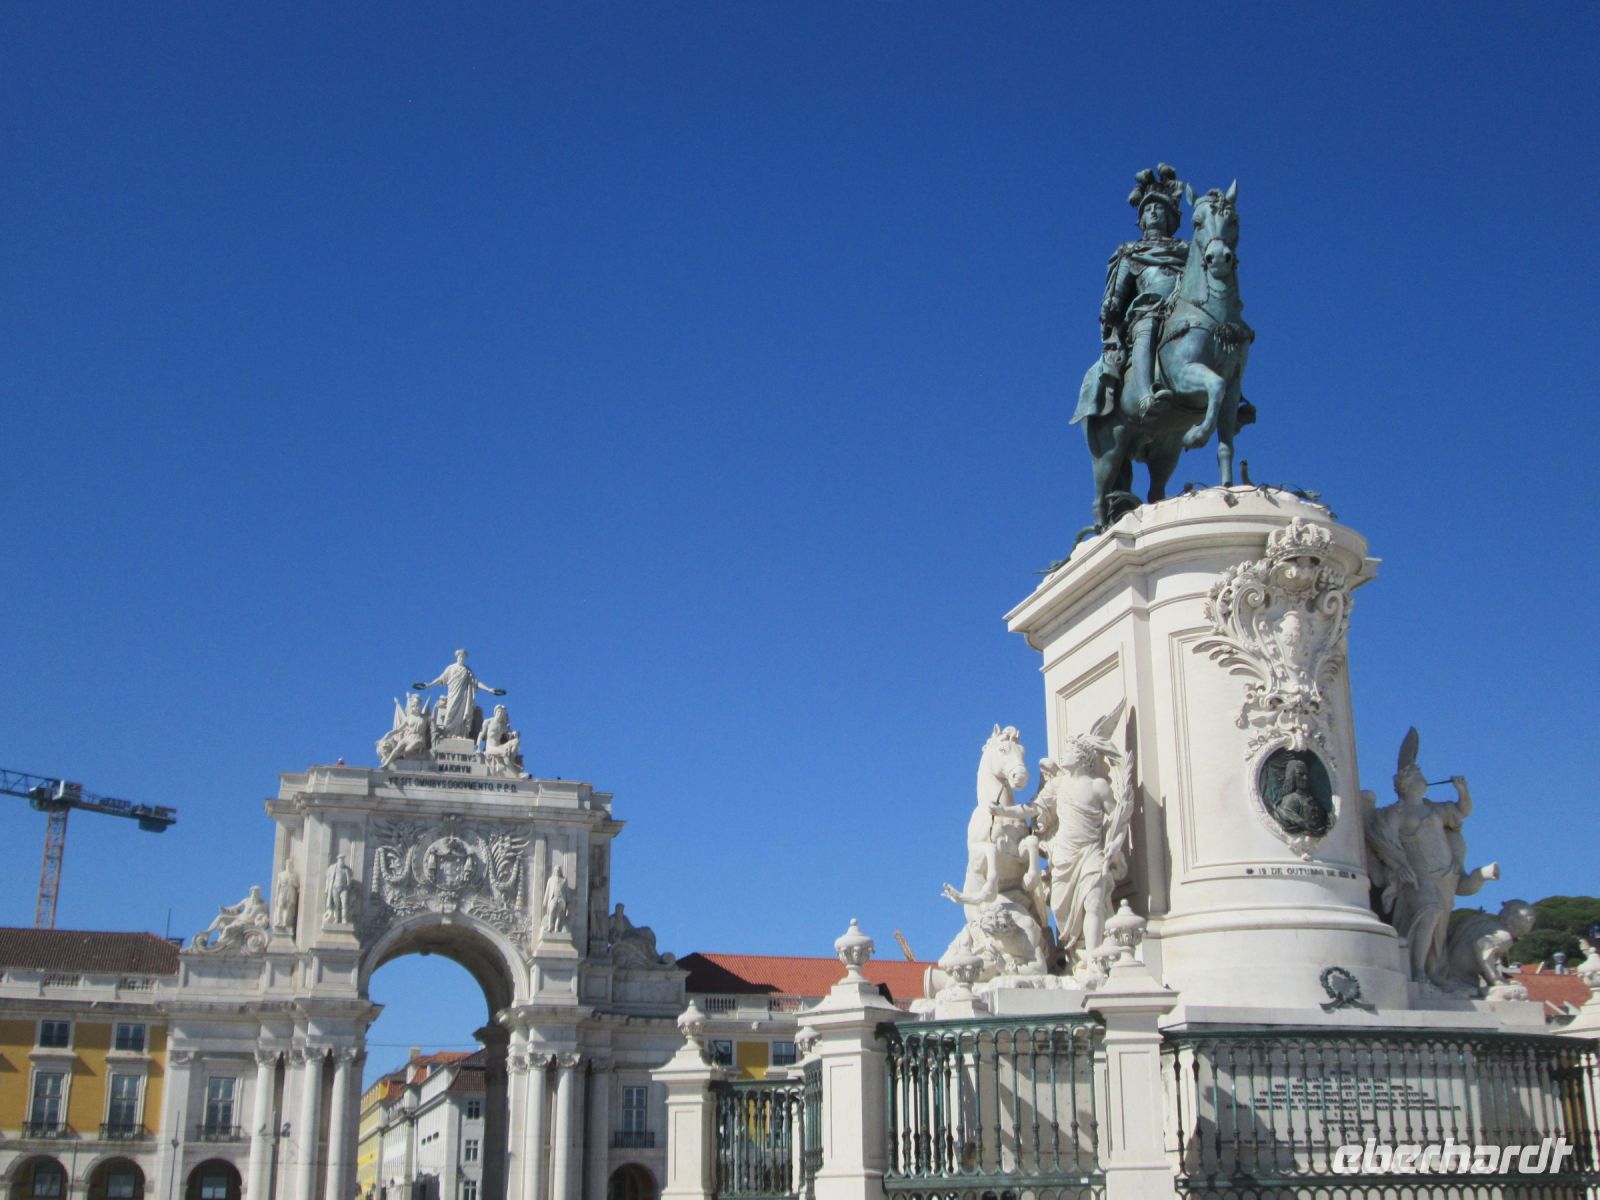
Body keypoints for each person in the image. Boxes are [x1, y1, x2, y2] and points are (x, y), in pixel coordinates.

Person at [1365, 728, 1498, 986]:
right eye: (1418, 776)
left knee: (1440, 925)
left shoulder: (1435, 808)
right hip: (1418, 872)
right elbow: (1381, 841)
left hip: (1446, 874)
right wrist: (1399, 864)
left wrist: (1463, 790)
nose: (1424, 779)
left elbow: (1463, 811)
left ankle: (1434, 970)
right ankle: (1417, 972)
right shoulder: (1396, 813)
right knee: (1429, 912)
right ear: (1407, 784)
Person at [1098, 164, 1188, 416]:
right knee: (1145, 331)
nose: (1154, 213)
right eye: (1148, 209)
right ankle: (1146, 395)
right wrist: (1112, 302)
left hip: (1182, 307)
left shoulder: (1188, 251)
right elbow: (1117, 290)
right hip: (1148, 309)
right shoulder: (1130, 252)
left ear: (1170, 216)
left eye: (1159, 208)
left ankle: (1231, 403)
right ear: (1141, 219)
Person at [413, 649, 505, 740]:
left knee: (462, 716)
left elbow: (476, 683)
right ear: (457, 657)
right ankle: (447, 733)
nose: (461, 658)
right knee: (450, 712)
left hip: (464, 697)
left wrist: (489, 689)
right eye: (460, 656)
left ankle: (459, 734)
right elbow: (441, 679)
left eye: (463, 657)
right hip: (453, 694)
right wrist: (429, 685)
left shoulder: (467, 670)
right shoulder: (451, 668)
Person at [477, 704, 524, 778]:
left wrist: (514, 734)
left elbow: (509, 735)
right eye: (499, 711)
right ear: (495, 712)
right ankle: (516, 774)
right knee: (504, 753)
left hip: (499, 746)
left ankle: (511, 761)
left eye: (502, 712)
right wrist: (478, 747)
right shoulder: (488, 722)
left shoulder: (503, 726)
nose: (500, 714)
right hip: (490, 748)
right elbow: (481, 734)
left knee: (516, 741)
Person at [325, 854, 355, 925]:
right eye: (340, 859)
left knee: (344, 904)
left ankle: (344, 919)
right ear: (338, 860)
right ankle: (336, 918)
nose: (341, 861)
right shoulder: (332, 868)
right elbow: (328, 879)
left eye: (342, 859)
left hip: (344, 889)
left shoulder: (346, 869)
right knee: (336, 904)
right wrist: (327, 888)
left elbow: (349, 879)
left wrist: (348, 886)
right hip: (335, 888)